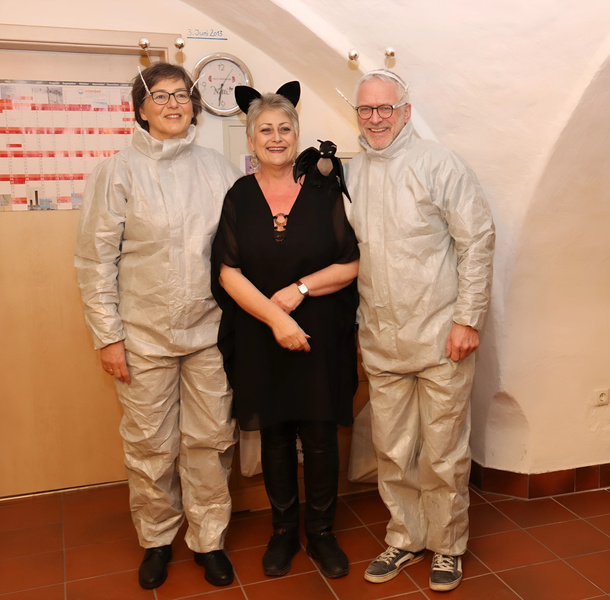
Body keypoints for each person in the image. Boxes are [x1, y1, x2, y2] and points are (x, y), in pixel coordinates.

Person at [74, 62, 242, 590]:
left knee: (211, 440)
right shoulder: (116, 172)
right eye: (161, 96)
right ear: (141, 109)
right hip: (142, 336)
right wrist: (109, 337)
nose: (174, 104)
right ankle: (156, 539)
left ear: (195, 105)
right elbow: (95, 261)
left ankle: (208, 540)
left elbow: (242, 249)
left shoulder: (218, 170)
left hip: (210, 334)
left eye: (183, 95)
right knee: (150, 444)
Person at [342, 70, 495, 592]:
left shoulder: (439, 164)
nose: (375, 118)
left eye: (385, 108)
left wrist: (467, 319)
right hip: (382, 340)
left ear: (406, 111)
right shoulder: (351, 175)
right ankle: (405, 537)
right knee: (392, 450)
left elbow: (477, 240)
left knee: (443, 452)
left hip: (441, 337)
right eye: (366, 109)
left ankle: (447, 546)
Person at [212, 81, 359, 579]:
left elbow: (351, 262)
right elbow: (228, 271)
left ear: (297, 135)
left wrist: (300, 290)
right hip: (261, 332)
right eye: (265, 130)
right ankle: (282, 532)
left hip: (319, 333)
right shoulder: (238, 196)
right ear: (250, 139)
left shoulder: (323, 190)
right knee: (274, 435)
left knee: (319, 434)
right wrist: (277, 319)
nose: (276, 138)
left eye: (285, 129)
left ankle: (321, 533)